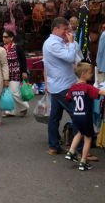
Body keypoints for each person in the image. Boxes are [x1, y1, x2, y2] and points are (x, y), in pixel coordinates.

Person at [42, 17, 91, 157]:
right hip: (63, 85)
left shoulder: (57, 42)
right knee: (77, 115)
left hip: (59, 84)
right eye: (64, 29)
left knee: (55, 117)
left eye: (68, 29)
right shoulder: (53, 44)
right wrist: (70, 44)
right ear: (56, 29)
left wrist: (71, 44)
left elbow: (77, 59)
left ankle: (54, 146)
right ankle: (81, 151)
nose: (67, 32)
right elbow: (70, 58)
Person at [65, 62, 105, 171]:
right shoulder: (88, 87)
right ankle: (83, 161)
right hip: (85, 116)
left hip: (76, 116)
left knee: (79, 133)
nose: (92, 75)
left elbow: (67, 99)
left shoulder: (73, 87)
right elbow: (101, 92)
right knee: (88, 138)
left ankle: (71, 151)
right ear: (83, 74)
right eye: (90, 73)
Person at [1, 30, 29, 117]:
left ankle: (24, 107)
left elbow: (23, 60)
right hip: (6, 74)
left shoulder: (17, 47)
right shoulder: (2, 48)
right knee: (7, 93)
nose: (4, 39)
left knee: (15, 93)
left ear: (11, 38)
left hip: (16, 73)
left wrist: (24, 71)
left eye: (6, 37)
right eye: (3, 37)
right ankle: (9, 111)